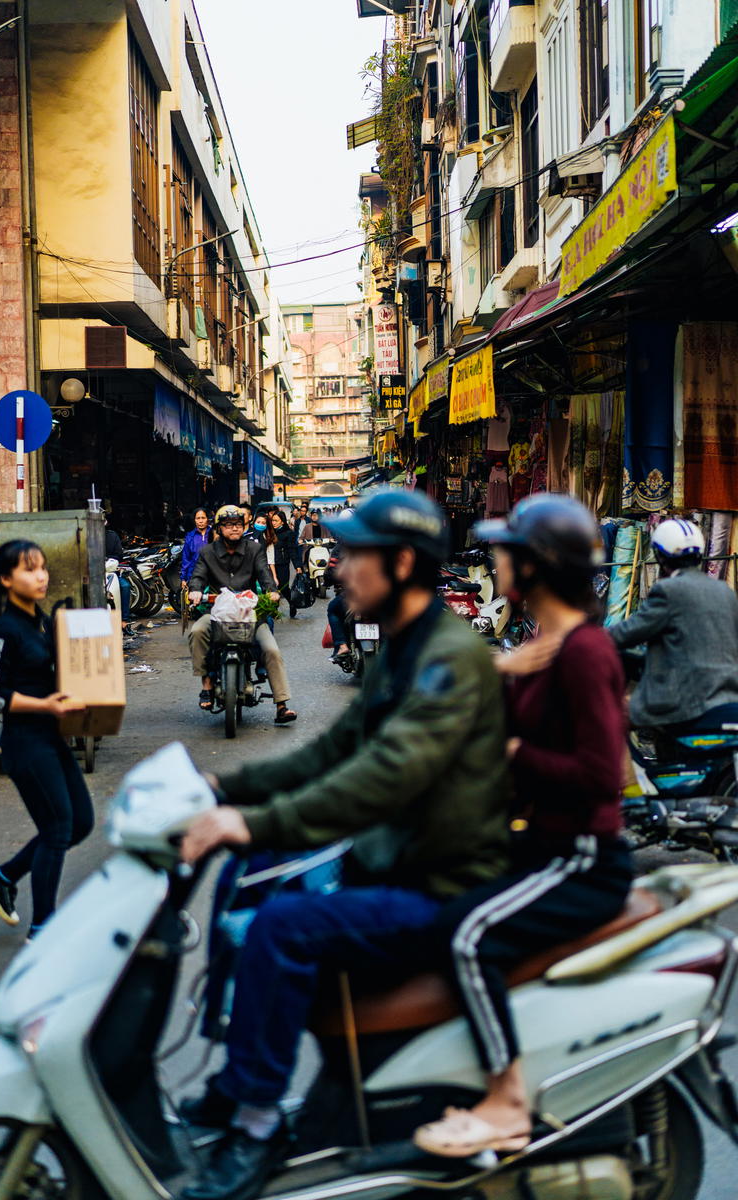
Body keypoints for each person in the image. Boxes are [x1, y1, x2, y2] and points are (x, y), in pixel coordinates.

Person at [175, 489, 511, 1200]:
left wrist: (257, 819)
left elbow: (383, 775)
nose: (338, 569)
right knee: (253, 875)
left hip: (440, 886)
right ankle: (242, 1081)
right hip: (392, 862)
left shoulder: (448, 657)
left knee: (281, 927)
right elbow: (333, 751)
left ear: (402, 563)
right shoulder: (402, 648)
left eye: (355, 555)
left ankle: (259, 1124)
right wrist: (227, 791)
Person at [411, 494, 632, 1159]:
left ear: (535, 566)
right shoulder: (541, 643)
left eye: (508, 551)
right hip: (539, 839)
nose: (496, 560)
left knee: (467, 935)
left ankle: (507, 1101)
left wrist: (510, 754)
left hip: (582, 856)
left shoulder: (584, 652)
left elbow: (602, 774)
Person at [0, 540, 94, 941]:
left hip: (51, 737)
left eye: (42, 567)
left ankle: (5, 876)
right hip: (26, 744)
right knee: (59, 827)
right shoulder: (4, 629)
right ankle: (42, 927)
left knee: (81, 823)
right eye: (30, 569)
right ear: (6, 580)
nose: (41, 576)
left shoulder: (40, 621)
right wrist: (45, 705)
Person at [609, 517, 738, 730]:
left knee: (614, 716)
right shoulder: (724, 591)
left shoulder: (668, 591)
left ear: (660, 556)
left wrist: (584, 638)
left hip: (684, 704)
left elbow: (624, 634)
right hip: (728, 699)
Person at [187, 505, 297, 725]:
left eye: (237, 524)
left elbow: (264, 573)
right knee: (197, 631)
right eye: (228, 525)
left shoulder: (254, 549)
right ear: (219, 528)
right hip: (218, 613)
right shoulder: (207, 552)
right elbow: (198, 576)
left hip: (249, 613)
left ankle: (282, 704)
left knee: (272, 650)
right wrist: (196, 590)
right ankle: (207, 684)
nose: (234, 529)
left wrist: (272, 591)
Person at [268, 508, 298, 617]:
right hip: (270, 564)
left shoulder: (288, 533)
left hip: (282, 564)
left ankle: (292, 603)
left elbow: (292, 550)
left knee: (283, 587)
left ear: (282, 521)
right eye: (272, 520)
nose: (273, 523)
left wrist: (297, 566)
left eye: (276, 520)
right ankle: (274, 610)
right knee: (272, 587)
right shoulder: (269, 532)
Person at [181, 509, 214, 584]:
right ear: (194, 520)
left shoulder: (214, 534)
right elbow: (186, 558)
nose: (200, 521)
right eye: (198, 518)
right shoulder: (190, 536)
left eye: (203, 518)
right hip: (194, 575)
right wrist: (183, 578)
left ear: (207, 519)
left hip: (212, 575)